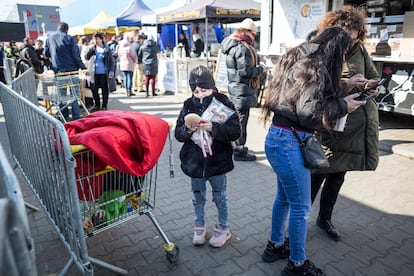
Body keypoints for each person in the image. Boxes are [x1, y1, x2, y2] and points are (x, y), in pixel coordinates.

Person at [260, 27, 367, 276]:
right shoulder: (316, 67)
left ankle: (274, 247)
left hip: (279, 138)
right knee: (300, 207)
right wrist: (344, 106)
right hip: (290, 143)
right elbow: (309, 113)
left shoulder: (300, 58)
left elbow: (306, 99)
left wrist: (345, 86)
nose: (343, 61)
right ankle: (297, 264)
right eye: (343, 54)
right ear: (335, 50)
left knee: (284, 199)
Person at [310, 6, 381, 242]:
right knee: (315, 177)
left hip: (349, 128)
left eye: (353, 37)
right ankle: (297, 225)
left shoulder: (360, 51)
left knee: (337, 177)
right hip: (327, 123)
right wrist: (347, 85)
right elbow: (313, 90)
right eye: (345, 36)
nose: (349, 42)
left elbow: (371, 73)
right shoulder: (320, 49)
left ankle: (325, 219)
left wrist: (370, 84)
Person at [175, 65, 241, 248]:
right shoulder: (188, 104)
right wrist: (188, 129)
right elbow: (178, 134)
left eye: (204, 90)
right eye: (196, 91)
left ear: (212, 87)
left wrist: (214, 128)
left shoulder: (223, 102)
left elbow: (236, 131)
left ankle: (223, 227)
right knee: (197, 197)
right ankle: (199, 226)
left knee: (220, 197)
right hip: (194, 163)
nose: (200, 94)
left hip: (218, 162)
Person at [221, 18, 266, 161]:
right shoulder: (242, 48)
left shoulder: (233, 44)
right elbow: (245, 72)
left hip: (237, 89)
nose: (254, 36)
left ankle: (235, 147)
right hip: (241, 90)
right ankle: (239, 151)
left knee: (237, 120)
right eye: (254, 33)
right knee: (241, 122)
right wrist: (260, 69)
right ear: (248, 32)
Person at [45, 22, 86, 120]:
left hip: (58, 71)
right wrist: (82, 67)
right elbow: (76, 55)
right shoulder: (70, 38)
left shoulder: (49, 39)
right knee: (74, 95)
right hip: (71, 71)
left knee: (61, 95)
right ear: (67, 29)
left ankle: (64, 115)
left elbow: (46, 53)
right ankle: (76, 116)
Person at [85, 32, 114, 111]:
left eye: (97, 39)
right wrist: (90, 50)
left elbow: (111, 61)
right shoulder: (93, 49)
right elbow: (86, 57)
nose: (96, 41)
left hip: (104, 73)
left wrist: (111, 71)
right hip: (94, 73)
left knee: (105, 90)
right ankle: (97, 105)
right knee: (94, 90)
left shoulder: (106, 49)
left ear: (101, 39)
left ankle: (104, 106)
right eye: (94, 39)